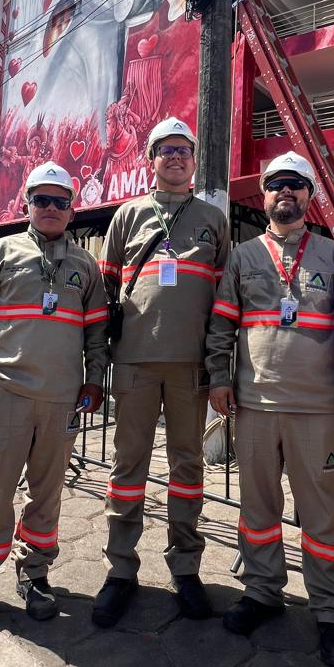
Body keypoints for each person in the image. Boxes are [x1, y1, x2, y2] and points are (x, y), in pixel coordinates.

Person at [205, 153, 334, 667]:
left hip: (316, 409)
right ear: (264, 196)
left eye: (296, 184)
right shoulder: (243, 256)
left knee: (323, 513)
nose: (285, 191)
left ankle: (331, 610)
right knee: (258, 508)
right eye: (276, 185)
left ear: (309, 195)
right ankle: (262, 591)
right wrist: (219, 378)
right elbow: (222, 324)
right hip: (254, 405)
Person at [0, 162, 109, 643]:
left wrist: (94, 381)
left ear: (72, 210)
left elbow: (97, 332)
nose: (51, 208)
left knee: (47, 495)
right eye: (42, 199)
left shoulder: (85, 265)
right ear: (27, 204)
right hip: (8, 394)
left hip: (62, 400)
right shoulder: (0, 251)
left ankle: (35, 575)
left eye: (60, 201)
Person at [93, 118, 229, 626]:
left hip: (191, 368)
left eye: (183, 150)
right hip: (134, 364)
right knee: (127, 470)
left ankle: (186, 568)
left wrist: (220, 368)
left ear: (193, 160)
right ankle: (120, 571)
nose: (175, 157)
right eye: (165, 149)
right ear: (150, 159)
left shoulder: (212, 219)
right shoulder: (127, 215)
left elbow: (224, 305)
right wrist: (97, 364)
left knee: (187, 469)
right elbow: (103, 295)